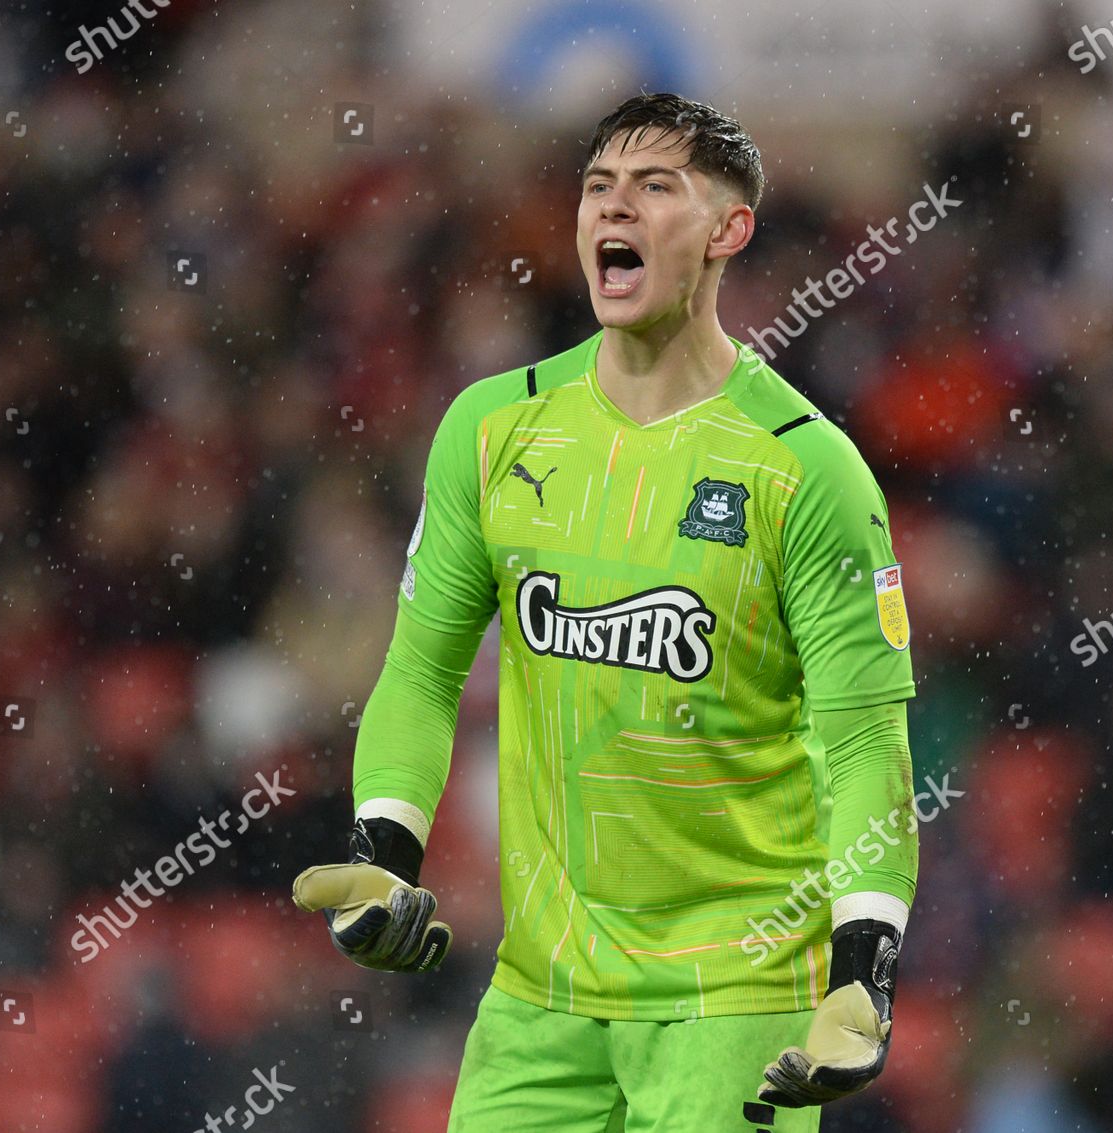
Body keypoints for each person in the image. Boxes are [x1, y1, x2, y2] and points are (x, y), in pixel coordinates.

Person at [293, 91, 919, 1133]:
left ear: (728, 231)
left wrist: (866, 966)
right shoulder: (491, 431)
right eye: (596, 188)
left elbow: (863, 739)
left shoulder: (808, 470)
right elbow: (422, 667)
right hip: (542, 995)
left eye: (654, 187)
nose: (611, 210)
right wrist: (384, 848)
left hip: (735, 999)